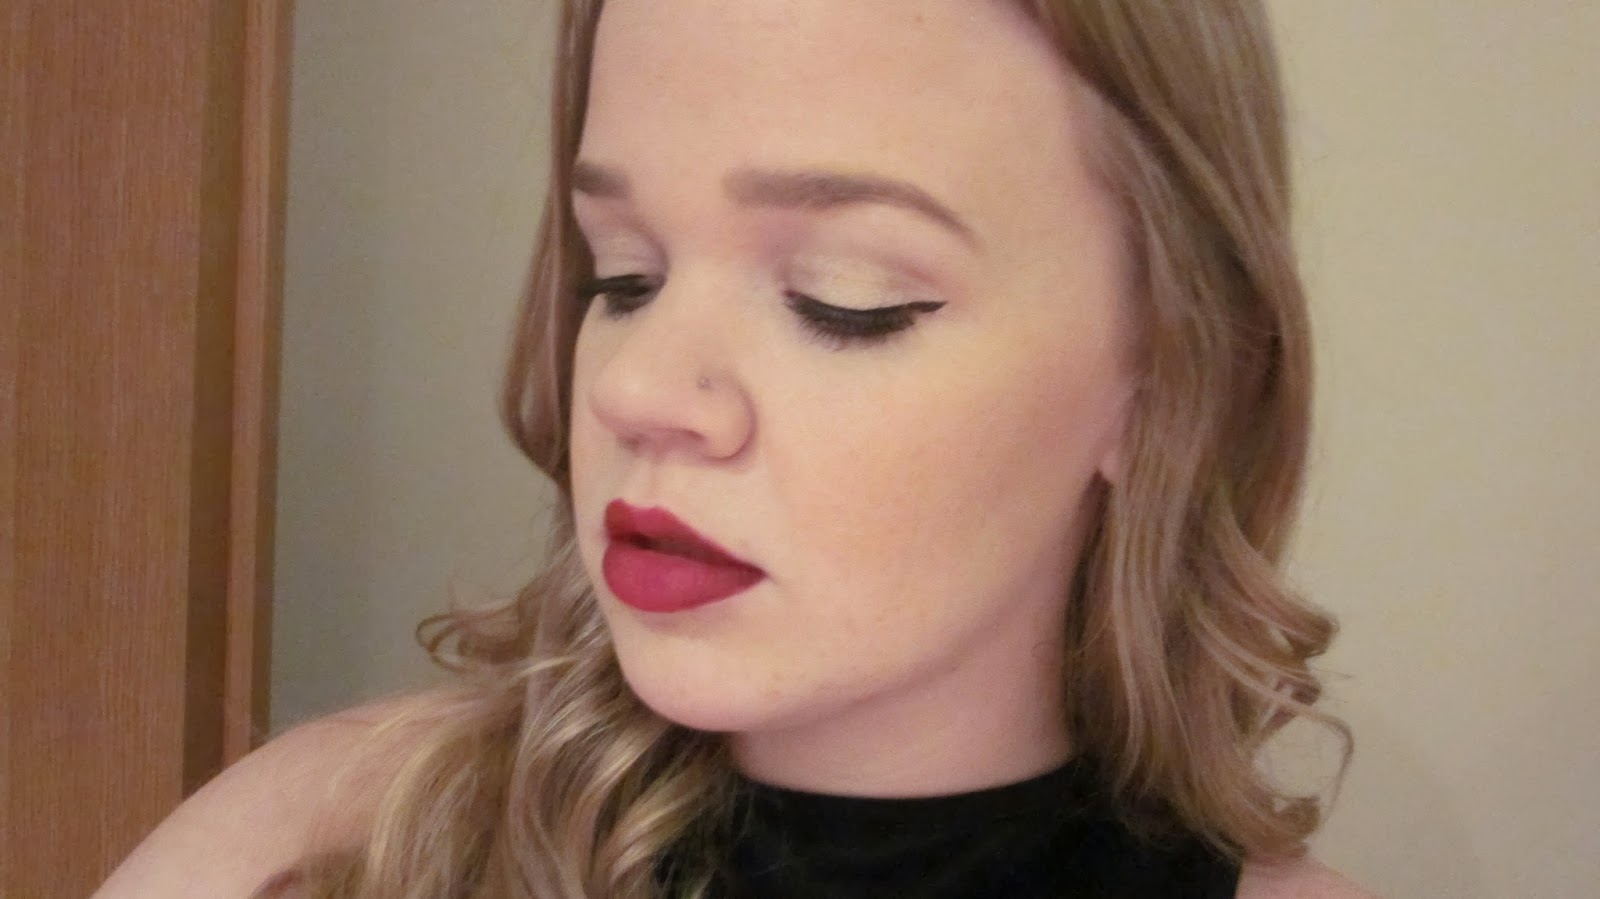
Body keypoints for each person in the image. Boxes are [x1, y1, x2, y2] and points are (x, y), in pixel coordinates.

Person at [100, 1, 1375, 896]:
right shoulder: (313, 849)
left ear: (1166, 379)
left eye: (846, 296)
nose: (637, 390)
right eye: (623, 275)